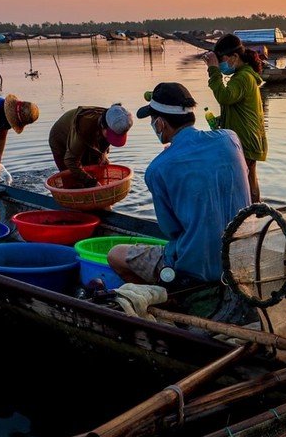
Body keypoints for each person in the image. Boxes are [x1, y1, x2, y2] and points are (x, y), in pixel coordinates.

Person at [107, 82, 251, 287]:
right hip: (242, 256)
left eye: (152, 120)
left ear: (160, 124)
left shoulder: (158, 169)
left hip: (196, 268)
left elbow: (171, 230)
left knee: (115, 255)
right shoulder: (230, 139)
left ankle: (170, 302)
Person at [204, 33, 268, 202]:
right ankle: (255, 214)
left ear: (234, 57)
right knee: (249, 180)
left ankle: (251, 215)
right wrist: (222, 120)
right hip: (247, 136)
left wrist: (213, 70)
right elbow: (236, 106)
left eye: (221, 60)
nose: (221, 65)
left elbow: (225, 97)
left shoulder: (244, 77)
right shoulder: (241, 76)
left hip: (246, 139)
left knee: (245, 183)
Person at [48, 103, 133, 188]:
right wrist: (91, 182)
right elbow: (70, 161)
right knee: (72, 181)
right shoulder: (84, 128)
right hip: (60, 140)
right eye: (111, 135)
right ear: (103, 126)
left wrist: (103, 155)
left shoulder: (112, 118)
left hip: (87, 137)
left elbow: (105, 141)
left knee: (96, 172)